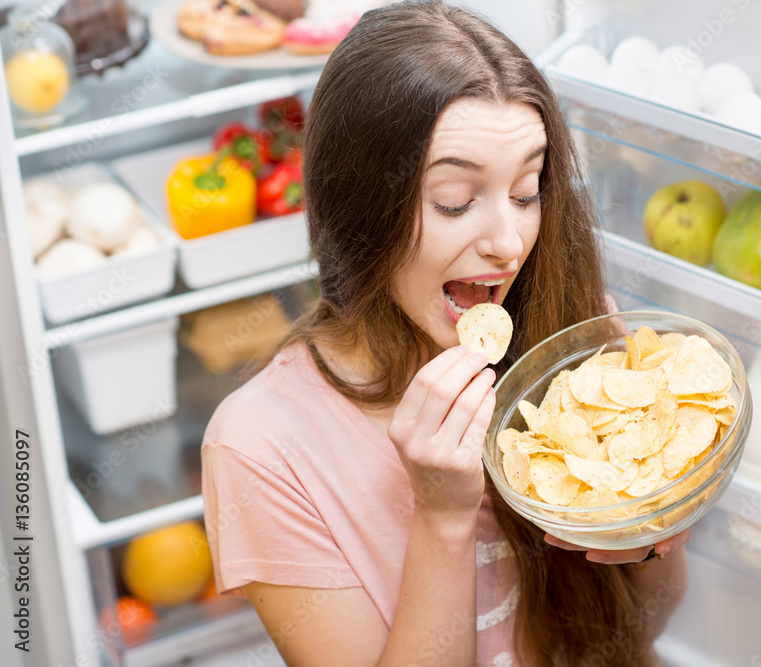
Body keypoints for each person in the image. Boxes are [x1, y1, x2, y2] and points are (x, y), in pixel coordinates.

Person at [201, 2, 690, 665]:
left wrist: (658, 528)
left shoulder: (572, 339)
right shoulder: (261, 446)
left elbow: (642, 630)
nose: (506, 241)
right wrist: (442, 514)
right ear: (359, 208)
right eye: (455, 201)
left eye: (526, 190)